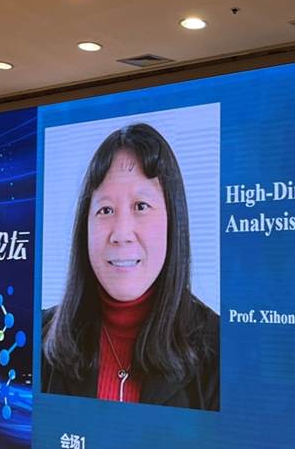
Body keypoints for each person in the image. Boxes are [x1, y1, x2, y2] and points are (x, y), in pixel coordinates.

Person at [42, 123, 219, 410]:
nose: (121, 233)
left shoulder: (220, 347)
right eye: (105, 210)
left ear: (173, 221)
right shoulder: (38, 336)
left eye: (141, 206)